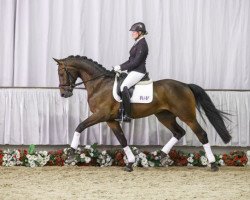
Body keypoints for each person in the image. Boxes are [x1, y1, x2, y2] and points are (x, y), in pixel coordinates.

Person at [113, 22, 149, 122]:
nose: (132, 33)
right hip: (133, 70)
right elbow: (130, 60)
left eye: (134, 31)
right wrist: (120, 66)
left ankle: (127, 115)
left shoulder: (142, 44)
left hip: (138, 71)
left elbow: (136, 62)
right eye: (132, 31)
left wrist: (122, 68)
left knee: (123, 87)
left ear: (140, 32)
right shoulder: (137, 43)